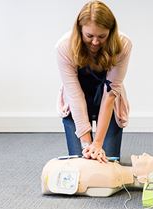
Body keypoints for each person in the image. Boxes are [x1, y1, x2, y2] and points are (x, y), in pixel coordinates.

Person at [56, 0, 132, 163]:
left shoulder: (123, 45)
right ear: (79, 29)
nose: (96, 42)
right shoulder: (64, 47)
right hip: (77, 104)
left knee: (109, 161)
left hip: (108, 103)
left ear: (110, 33)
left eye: (102, 36)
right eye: (89, 36)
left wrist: (97, 144)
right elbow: (75, 97)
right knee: (82, 161)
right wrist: (87, 145)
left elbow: (110, 94)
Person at [41, 153, 153, 196]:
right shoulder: (114, 173)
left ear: (143, 179)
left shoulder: (112, 179)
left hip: (50, 173)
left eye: (148, 160)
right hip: (54, 167)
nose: (145, 154)